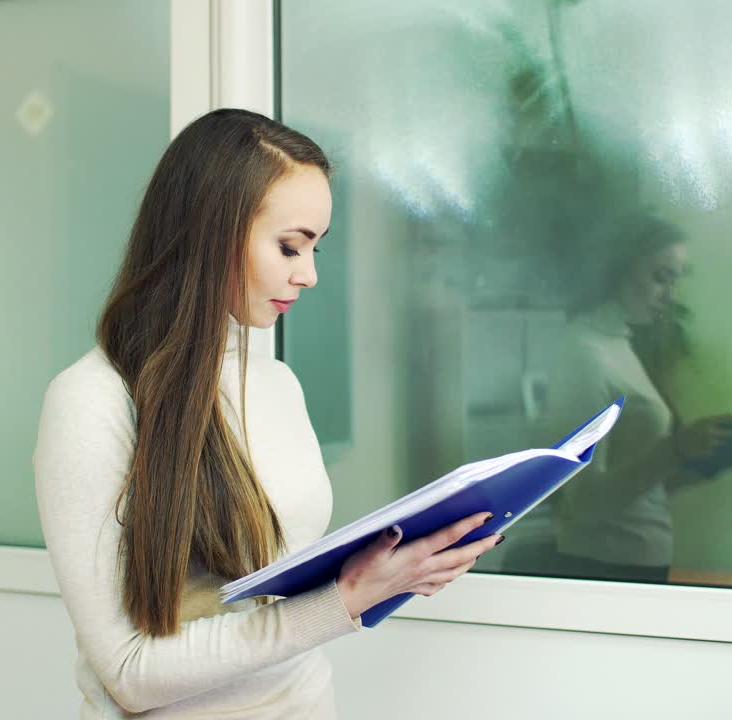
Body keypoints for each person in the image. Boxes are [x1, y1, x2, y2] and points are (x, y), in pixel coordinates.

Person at [33, 109, 502, 719]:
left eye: (314, 248)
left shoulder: (277, 383)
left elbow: (279, 597)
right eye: (290, 246)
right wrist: (346, 599)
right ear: (209, 231)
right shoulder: (92, 401)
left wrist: (389, 573)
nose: (308, 275)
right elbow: (129, 672)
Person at [535, 213, 732, 583]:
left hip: (639, 557)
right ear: (618, 269)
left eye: (676, 280)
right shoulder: (584, 353)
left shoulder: (620, 343)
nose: (670, 296)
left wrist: (703, 460)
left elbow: (640, 488)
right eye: (660, 277)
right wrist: (675, 450)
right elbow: (583, 502)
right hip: (604, 566)